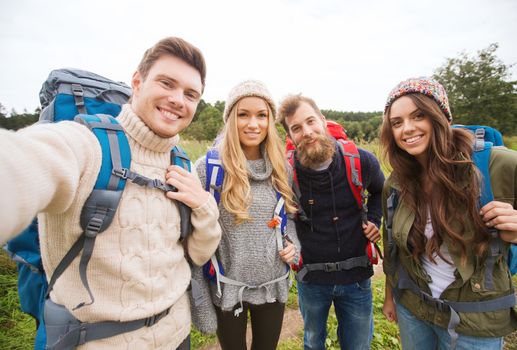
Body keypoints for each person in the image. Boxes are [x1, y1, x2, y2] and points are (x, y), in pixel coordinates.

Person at [0, 37, 222, 349]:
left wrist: (204, 206)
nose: (177, 99)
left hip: (176, 336)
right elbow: (24, 164)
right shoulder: (87, 144)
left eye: (190, 94)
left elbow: (197, 253)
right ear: (137, 82)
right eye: (166, 83)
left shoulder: (180, 163)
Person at [380, 77, 517, 349]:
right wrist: (389, 296)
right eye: (397, 122)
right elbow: (392, 247)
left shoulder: (497, 164)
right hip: (414, 311)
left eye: (418, 115)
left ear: (439, 116)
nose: (407, 129)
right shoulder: (396, 183)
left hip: (475, 323)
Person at [191, 80, 300, 350]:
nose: (253, 124)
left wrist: (293, 246)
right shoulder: (208, 169)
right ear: (230, 119)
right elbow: (193, 236)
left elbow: (289, 220)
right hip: (227, 289)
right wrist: (200, 299)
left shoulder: (280, 168)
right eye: (243, 114)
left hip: (273, 286)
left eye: (261, 115)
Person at [277, 94, 385, 350]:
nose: (307, 132)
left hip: (357, 276)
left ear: (323, 121)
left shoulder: (361, 161)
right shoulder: (286, 172)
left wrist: (374, 220)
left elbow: (382, 191)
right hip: (311, 279)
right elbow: (283, 215)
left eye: (311, 121)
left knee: (358, 345)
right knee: (313, 342)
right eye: (296, 128)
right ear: (290, 137)